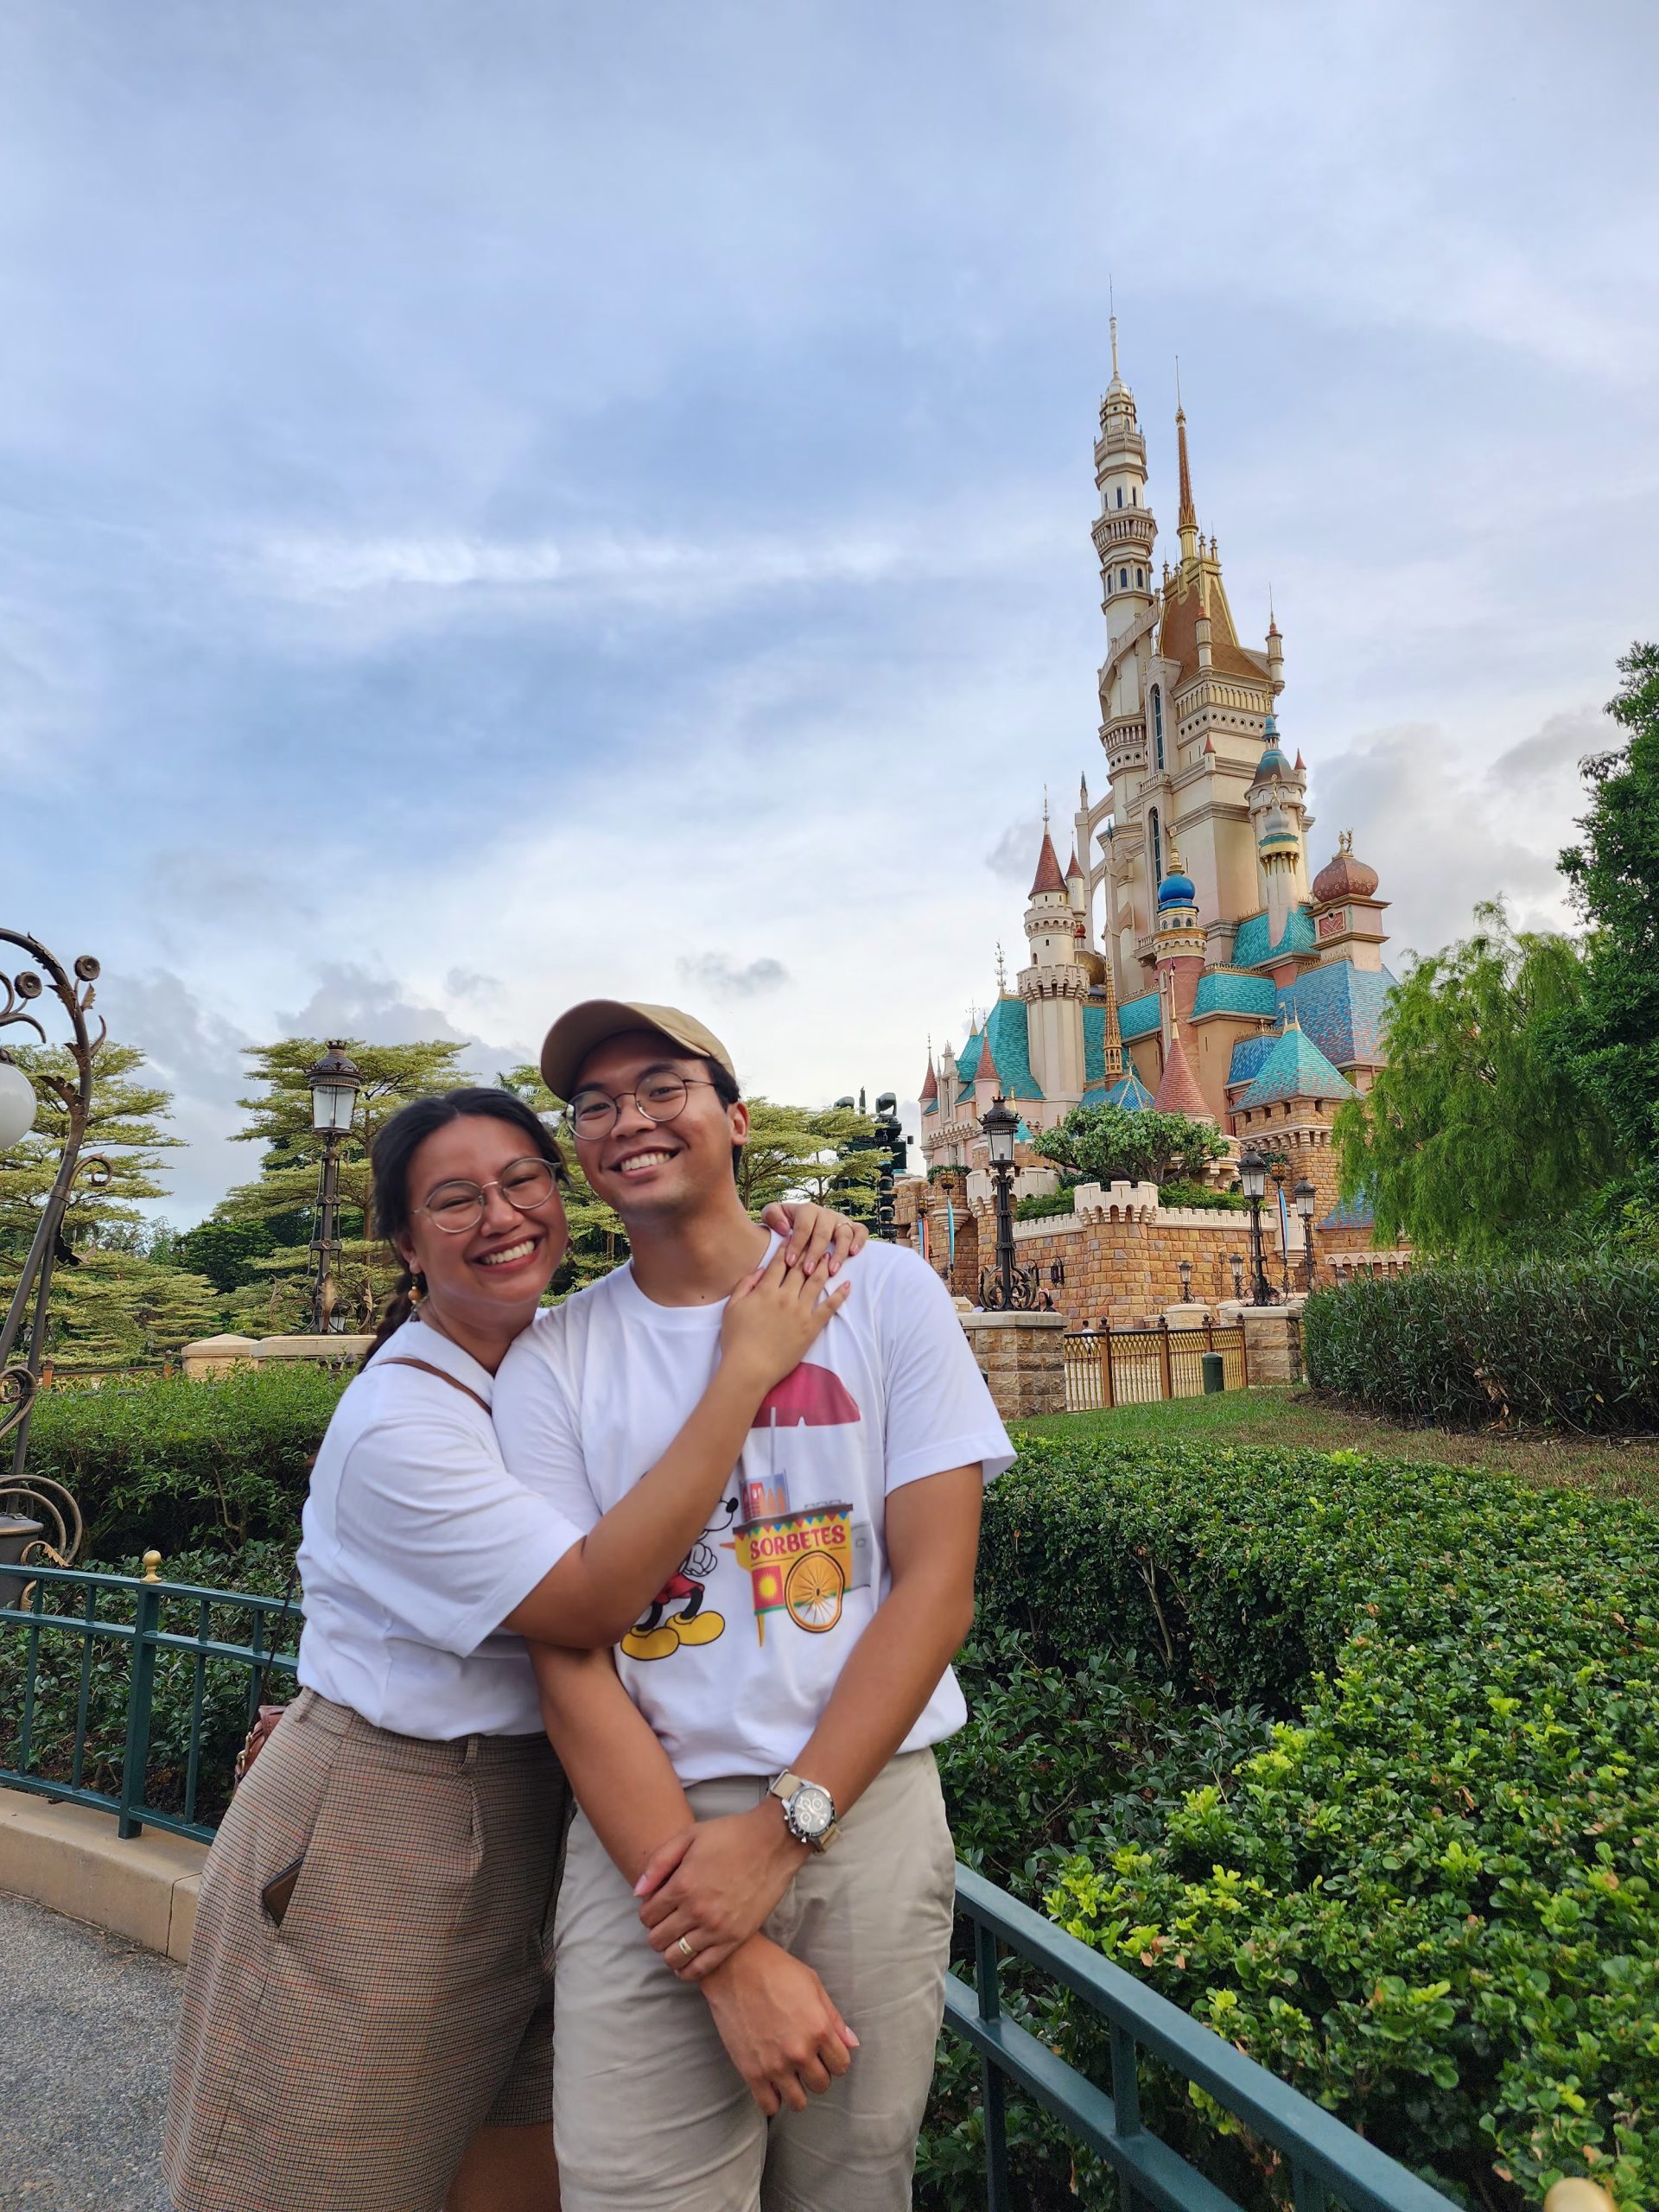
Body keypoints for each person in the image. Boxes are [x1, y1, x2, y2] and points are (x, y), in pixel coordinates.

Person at [163, 1083, 866, 2212]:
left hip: (560, 1810)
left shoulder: (553, 1355)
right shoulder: (405, 1421)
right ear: (404, 1240)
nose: (500, 1216)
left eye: (520, 1181)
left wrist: (806, 1230)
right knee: (308, 2173)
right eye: (454, 1200)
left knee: (518, 2177)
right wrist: (744, 1368)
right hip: (393, 1822)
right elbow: (586, 1605)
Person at [492, 1001, 1014, 2212]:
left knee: (852, 2187)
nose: (629, 1120)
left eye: (661, 1088)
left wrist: (781, 1838)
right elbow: (568, 1652)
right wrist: (714, 1933)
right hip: (652, 1837)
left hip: (865, 1805)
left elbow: (935, 1589)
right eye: (597, 1105)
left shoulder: (881, 1293)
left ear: (733, 1119)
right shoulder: (556, 1360)